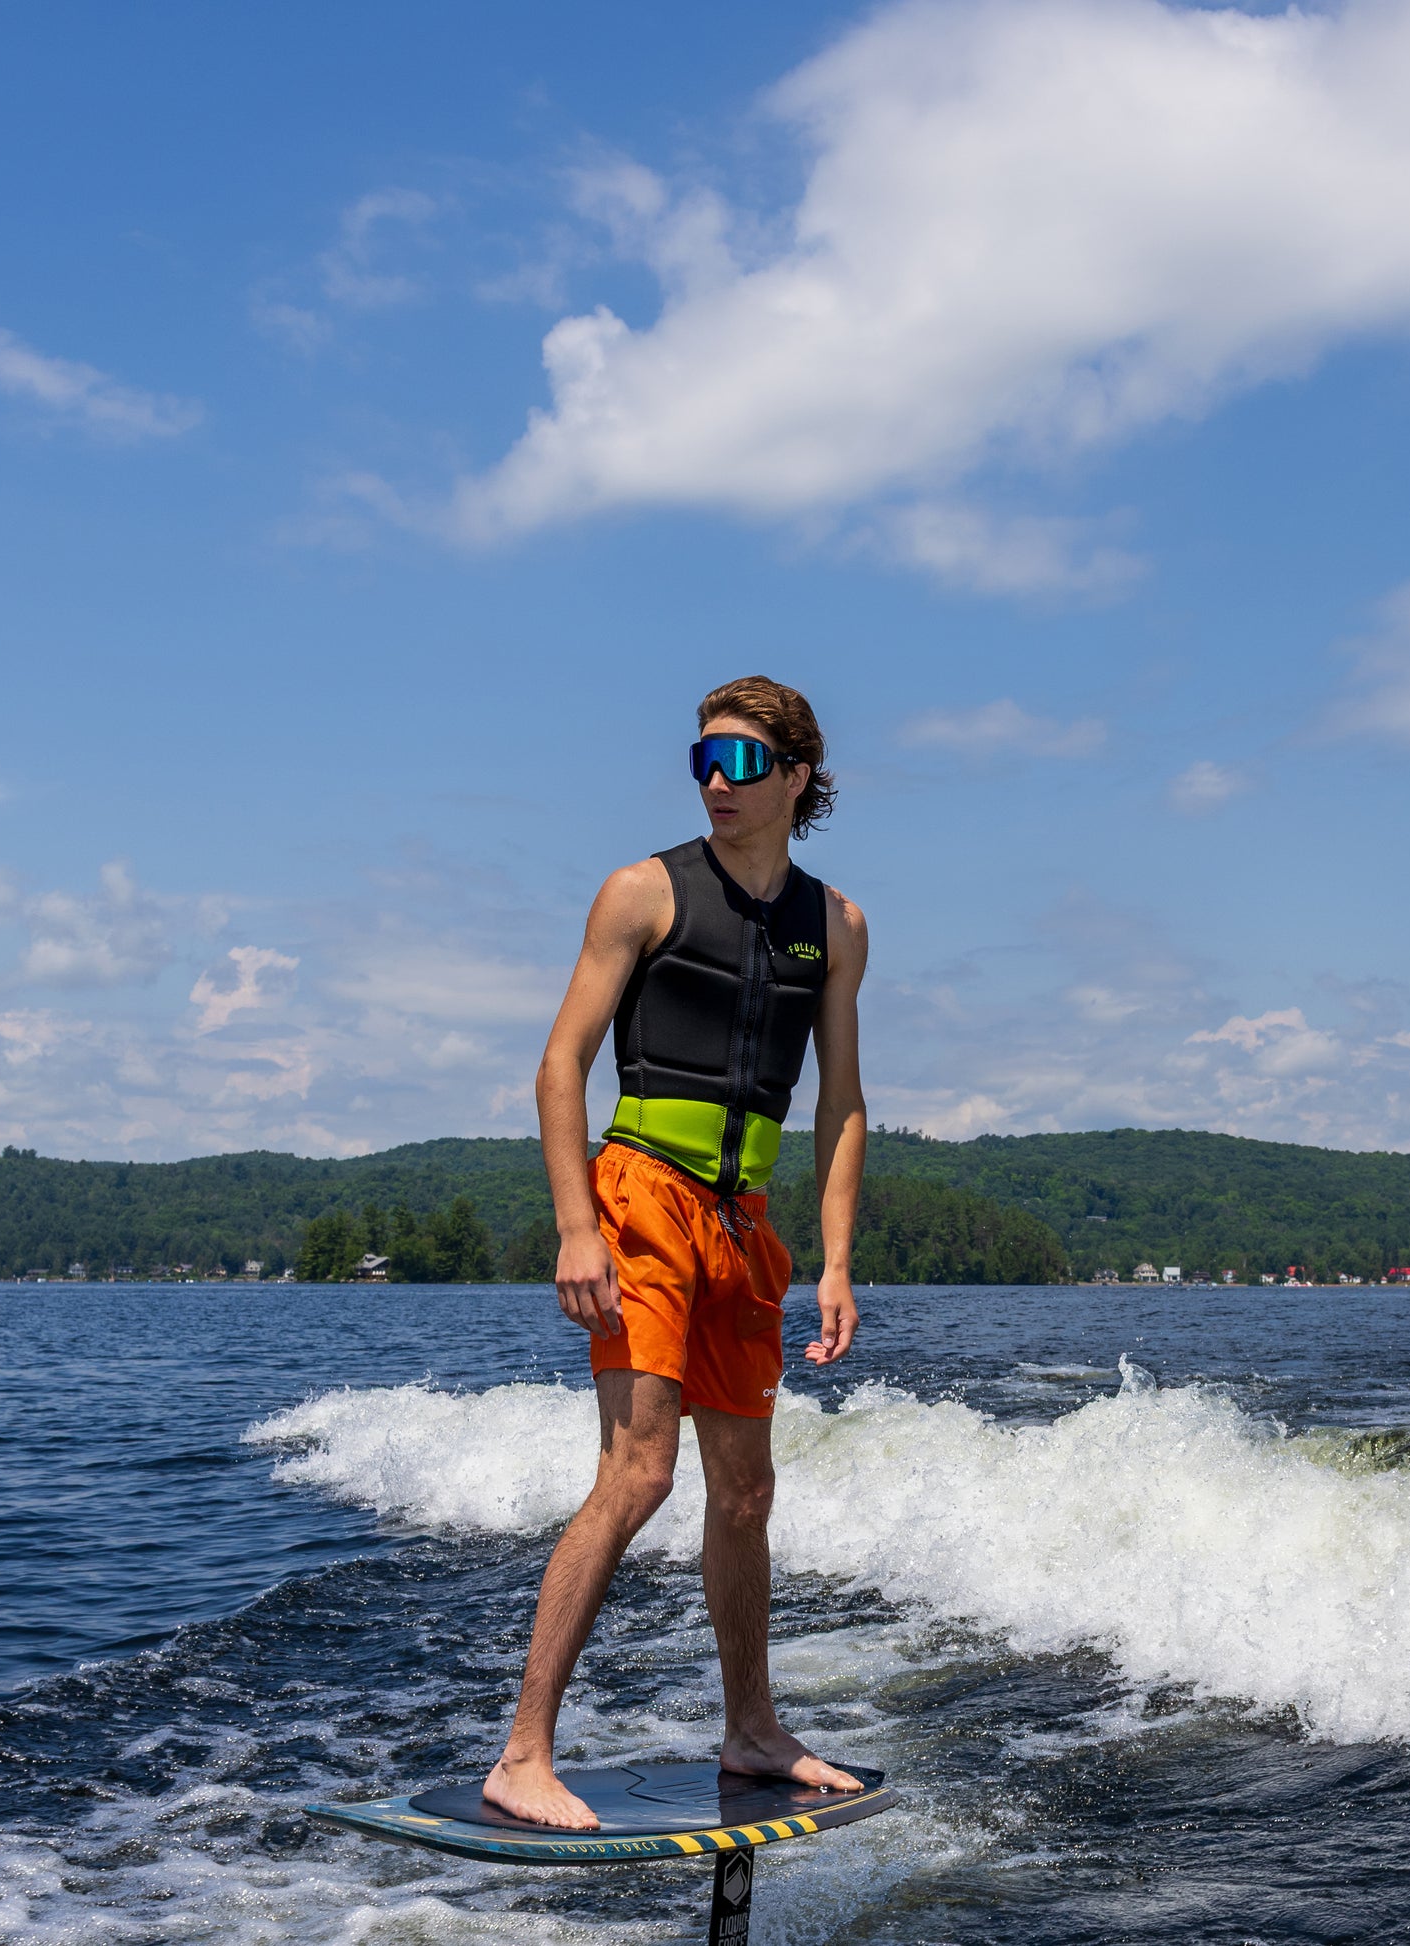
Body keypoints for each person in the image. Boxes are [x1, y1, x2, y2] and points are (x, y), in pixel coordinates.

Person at [483, 675, 870, 1830]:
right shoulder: (641, 891)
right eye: (701, 756)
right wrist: (575, 1224)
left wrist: (838, 1259)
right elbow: (560, 1067)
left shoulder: (835, 923)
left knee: (744, 1489)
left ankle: (751, 1728)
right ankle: (521, 1751)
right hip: (641, 1196)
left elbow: (841, 1101)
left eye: (742, 761)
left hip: (742, 1223)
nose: (715, 778)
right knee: (640, 1471)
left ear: (796, 777)